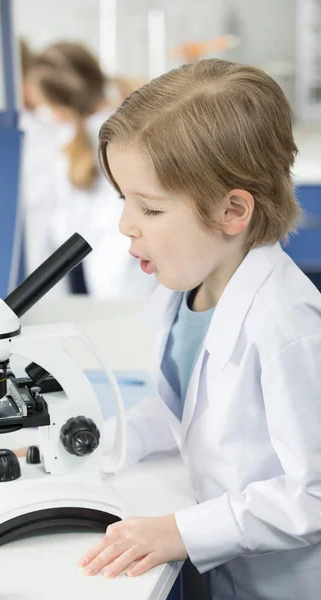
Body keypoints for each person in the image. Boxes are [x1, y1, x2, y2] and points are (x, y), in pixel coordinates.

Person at [72, 58, 321, 600]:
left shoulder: (288, 325)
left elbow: (314, 496)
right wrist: (88, 444)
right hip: (228, 573)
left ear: (233, 210)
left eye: (150, 209)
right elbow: (182, 410)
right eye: (124, 202)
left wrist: (180, 533)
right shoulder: (191, 289)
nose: (124, 225)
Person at [22, 42, 156, 298]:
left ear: (61, 109)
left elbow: (66, 231)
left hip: (115, 276)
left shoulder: (72, 150)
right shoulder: (138, 116)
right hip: (151, 266)